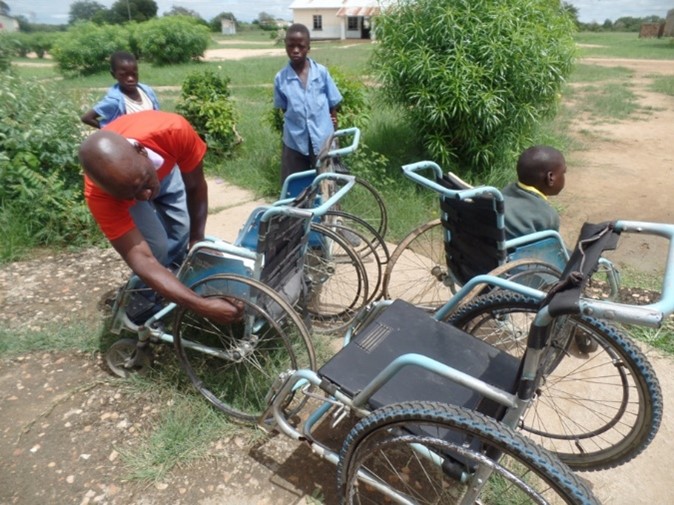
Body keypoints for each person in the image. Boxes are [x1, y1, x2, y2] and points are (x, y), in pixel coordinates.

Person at [78, 110, 242, 324]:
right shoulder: (102, 194)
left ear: (141, 151)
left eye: (144, 185)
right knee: (155, 247)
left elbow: (195, 187)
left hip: (162, 160)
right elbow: (142, 259)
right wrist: (202, 305)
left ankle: (173, 276)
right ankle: (140, 297)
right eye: (135, 194)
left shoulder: (172, 131)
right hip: (133, 181)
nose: (146, 196)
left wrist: (197, 239)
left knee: (181, 229)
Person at [273, 23, 343, 184]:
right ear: (285, 47)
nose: (295, 50)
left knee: (326, 182)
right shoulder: (281, 78)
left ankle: (328, 209)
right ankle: (300, 209)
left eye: (301, 46)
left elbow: (333, 102)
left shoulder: (321, 72)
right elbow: (285, 108)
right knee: (296, 184)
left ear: (308, 47)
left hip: (322, 138)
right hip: (295, 141)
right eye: (291, 46)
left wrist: (333, 122)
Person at [80, 51, 160, 129]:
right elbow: (87, 118)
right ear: (113, 75)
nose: (130, 79)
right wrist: (111, 130)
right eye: (123, 75)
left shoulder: (147, 91)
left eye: (134, 74)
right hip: (129, 140)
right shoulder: (114, 101)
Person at [501, 145, 566, 240]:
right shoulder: (547, 215)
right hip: (523, 254)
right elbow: (550, 250)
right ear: (551, 178)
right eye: (563, 172)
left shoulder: (504, 192)